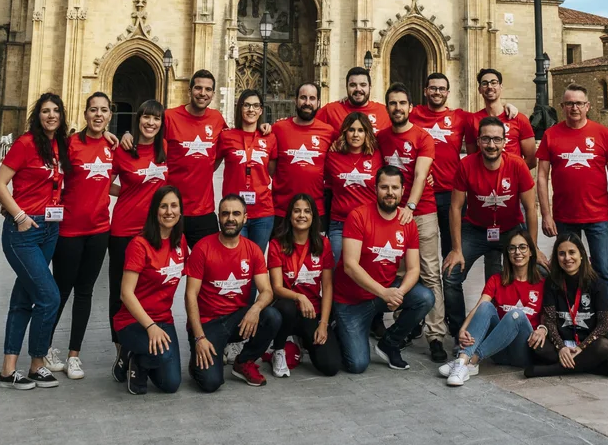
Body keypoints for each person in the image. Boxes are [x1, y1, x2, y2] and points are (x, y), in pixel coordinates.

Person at [0, 91, 71, 390]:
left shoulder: (60, 145)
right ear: (37, 116)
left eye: (55, 111)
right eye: (45, 111)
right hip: (23, 231)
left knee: (23, 299)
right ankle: (37, 364)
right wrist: (20, 216)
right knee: (49, 297)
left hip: (50, 228)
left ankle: (8, 370)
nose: (51, 115)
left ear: (62, 116)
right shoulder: (26, 144)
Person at [535, 84, 608, 348]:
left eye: (578, 103)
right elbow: (541, 176)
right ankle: (567, 324)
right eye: (568, 103)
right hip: (564, 215)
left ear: (587, 106)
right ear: (562, 107)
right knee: (565, 271)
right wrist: (546, 215)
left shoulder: (602, 134)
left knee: (604, 271)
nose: (574, 108)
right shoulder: (552, 135)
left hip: (597, 215)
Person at [443, 116, 540, 341]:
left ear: (505, 142)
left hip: (510, 231)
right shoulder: (466, 165)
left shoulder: (517, 164)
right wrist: (456, 249)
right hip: (475, 229)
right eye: (486, 139)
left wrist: (532, 248)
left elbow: (530, 208)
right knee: (450, 275)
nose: (491, 145)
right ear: (478, 142)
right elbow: (455, 208)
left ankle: (514, 327)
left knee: (530, 272)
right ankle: (460, 331)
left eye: (497, 139)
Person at [333, 165, 434, 373]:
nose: (390, 193)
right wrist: (385, 293)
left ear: (403, 190)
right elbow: (350, 265)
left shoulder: (407, 222)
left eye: (395, 188)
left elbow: (414, 269)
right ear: (376, 189)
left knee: (425, 297)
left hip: (384, 294)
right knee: (357, 365)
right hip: (352, 301)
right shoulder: (358, 216)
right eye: (384, 187)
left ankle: (390, 343)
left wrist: (399, 293)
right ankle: (338, 327)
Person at [45, 91, 115, 379]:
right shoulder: (69, 145)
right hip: (69, 231)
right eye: (93, 110)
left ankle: (74, 355)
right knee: (60, 292)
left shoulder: (114, 148)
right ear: (85, 114)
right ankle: (45, 348)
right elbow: (51, 180)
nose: (98, 115)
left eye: (104, 110)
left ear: (110, 115)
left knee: (84, 293)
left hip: (99, 231)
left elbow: (112, 184)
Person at [377, 83, 447, 363]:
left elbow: (420, 176)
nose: (397, 108)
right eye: (392, 103)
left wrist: (411, 207)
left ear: (410, 107)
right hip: (391, 214)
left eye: (402, 103)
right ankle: (404, 326)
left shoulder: (422, 136)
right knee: (398, 272)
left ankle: (436, 335)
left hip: (421, 211)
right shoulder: (380, 137)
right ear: (387, 108)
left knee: (429, 273)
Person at [185, 193, 281, 391]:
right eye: (225, 214)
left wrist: (255, 309)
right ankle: (197, 360)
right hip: (208, 323)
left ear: (245, 218)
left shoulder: (253, 250)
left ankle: (244, 361)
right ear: (219, 217)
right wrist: (199, 338)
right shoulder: (202, 248)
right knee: (210, 383)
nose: (230, 218)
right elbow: (190, 295)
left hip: (238, 319)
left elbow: (267, 291)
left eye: (236, 214)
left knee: (271, 316)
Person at [439, 230, 547, 386]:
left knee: (515, 315)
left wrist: (543, 329)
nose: (517, 252)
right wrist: (463, 329)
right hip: (497, 350)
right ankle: (462, 362)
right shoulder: (497, 279)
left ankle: (471, 360)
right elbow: (479, 306)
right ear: (507, 253)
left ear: (531, 251)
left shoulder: (542, 283)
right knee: (486, 306)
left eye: (523, 247)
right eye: (512, 248)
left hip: (523, 351)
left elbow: (548, 316)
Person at [108, 100, 168, 382]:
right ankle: (122, 349)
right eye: (145, 117)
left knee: (146, 288)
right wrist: (127, 192)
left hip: (153, 233)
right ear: (138, 119)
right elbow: (104, 181)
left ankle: (139, 339)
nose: (150, 123)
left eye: (156, 119)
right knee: (119, 292)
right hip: (124, 230)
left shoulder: (165, 150)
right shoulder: (124, 149)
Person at [113, 185, 187, 396]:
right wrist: (150, 326)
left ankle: (137, 357)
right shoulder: (139, 244)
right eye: (163, 206)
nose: (169, 211)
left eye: (174, 206)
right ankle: (133, 357)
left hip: (164, 319)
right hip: (133, 321)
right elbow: (125, 293)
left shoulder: (180, 241)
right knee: (161, 356)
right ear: (155, 211)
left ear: (180, 211)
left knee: (171, 384)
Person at [266, 193, 340, 377]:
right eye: (297, 211)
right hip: (286, 310)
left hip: (311, 313)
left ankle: (303, 340)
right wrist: (300, 296)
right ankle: (279, 349)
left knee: (330, 366)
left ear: (313, 216)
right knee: (287, 306)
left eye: (307, 211)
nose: (301, 215)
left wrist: (323, 324)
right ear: (290, 216)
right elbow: (276, 288)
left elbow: (328, 286)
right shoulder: (277, 244)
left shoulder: (323, 244)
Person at [525, 232, 608, 378]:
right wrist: (561, 347)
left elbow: (604, 325)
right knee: (537, 346)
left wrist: (581, 347)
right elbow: (549, 320)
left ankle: (550, 370)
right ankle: (592, 367)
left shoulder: (597, 283)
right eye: (562, 254)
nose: (567, 258)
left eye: (572, 252)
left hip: (587, 344)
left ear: (581, 255)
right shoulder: (552, 282)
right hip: (559, 344)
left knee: (604, 346)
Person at [162, 69, 227, 249]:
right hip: (171, 208)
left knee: (210, 266)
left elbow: (229, 145)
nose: (202, 93)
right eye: (198, 88)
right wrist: (128, 136)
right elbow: (148, 141)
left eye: (208, 89)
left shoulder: (217, 119)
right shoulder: (170, 117)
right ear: (189, 91)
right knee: (165, 268)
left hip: (203, 211)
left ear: (213, 94)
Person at [411, 72, 470, 257]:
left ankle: (451, 286)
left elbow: (489, 117)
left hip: (450, 193)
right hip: (421, 193)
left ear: (447, 92)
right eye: (433, 88)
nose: (437, 92)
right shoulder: (413, 114)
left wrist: (508, 106)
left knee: (452, 249)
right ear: (425, 91)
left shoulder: (460, 117)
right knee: (420, 249)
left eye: (441, 89)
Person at [217, 90, 277, 251]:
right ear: (240, 108)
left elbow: (272, 172)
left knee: (256, 261)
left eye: (256, 105)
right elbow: (211, 165)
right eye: (247, 105)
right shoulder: (226, 136)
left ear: (261, 110)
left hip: (262, 212)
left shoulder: (270, 138)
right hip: (233, 212)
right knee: (237, 261)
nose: (251, 109)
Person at [269, 82, 334, 220]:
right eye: (303, 97)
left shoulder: (328, 132)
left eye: (312, 98)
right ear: (295, 100)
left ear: (318, 102)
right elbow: (270, 166)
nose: (307, 102)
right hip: (282, 209)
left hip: (315, 210)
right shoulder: (278, 129)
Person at [324, 111, 383, 264]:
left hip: (370, 224)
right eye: (351, 130)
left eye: (360, 130)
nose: (355, 135)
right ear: (345, 132)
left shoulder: (377, 155)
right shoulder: (332, 156)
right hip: (340, 224)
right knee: (338, 269)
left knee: (367, 270)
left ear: (367, 133)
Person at [465, 68, 536, 166]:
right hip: (484, 179)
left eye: (494, 83)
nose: (489, 86)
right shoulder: (472, 120)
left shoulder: (519, 118)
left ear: (501, 86)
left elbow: (531, 160)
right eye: (485, 83)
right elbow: (472, 159)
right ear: (480, 89)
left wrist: (511, 174)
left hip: (511, 179)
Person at [320, 66, 392, 137]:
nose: (358, 89)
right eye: (353, 85)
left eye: (363, 85)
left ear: (370, 87)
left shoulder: (384, 112)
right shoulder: (331, 110)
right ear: (346, 87)